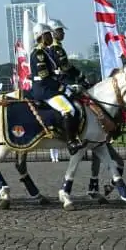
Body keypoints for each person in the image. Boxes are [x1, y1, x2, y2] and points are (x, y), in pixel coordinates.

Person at [28, 23, 81, 153]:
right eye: (48, 34)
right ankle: (70, 141)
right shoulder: (38, 53)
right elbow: (45, 77)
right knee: (68, 109)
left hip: (50, 88)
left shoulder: (46, 52)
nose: (51, 36)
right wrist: (62, 88)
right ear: (42, 36)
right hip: (44, 90)